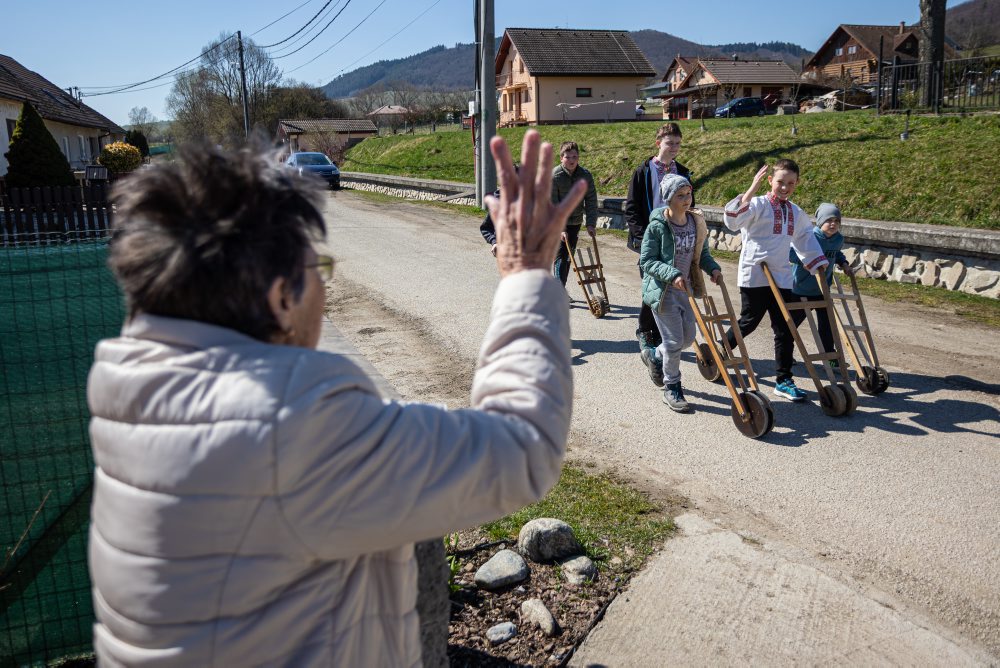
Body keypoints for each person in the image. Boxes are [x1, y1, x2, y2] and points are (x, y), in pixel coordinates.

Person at [86, 130, 587, 666]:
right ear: (281, 298)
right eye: (319, 270)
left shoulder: (132, 392)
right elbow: (521, 446)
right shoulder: (291, 423)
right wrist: (527, 277)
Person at [722, 159, 828, 401]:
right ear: (770, 181)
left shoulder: (795, 212)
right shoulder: (758, 204)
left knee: (785, 328)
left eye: (790, 183)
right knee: (750, 320)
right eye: (780, 181)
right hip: (755, 274)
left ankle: (784, 380)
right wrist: (751, 188)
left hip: (781, 276)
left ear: (796, 183)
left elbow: (805, 238)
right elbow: (732, 221)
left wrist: (817, 262)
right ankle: (722, 349)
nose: (784, 187)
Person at [641, 174, 721, 412]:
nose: (687, 200)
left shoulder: (696, 222)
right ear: (668, 199)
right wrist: (672, 274)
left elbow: (701, 254)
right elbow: (647, 261)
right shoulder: (657, 226)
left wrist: (713, 269)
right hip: (664, 292)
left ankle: (655, 355)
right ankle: (672, 387)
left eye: (689, 194)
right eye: (680, 196)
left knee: (687, 339)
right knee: (675, 342)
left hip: (686, 290)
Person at [624, 122, 694, 386]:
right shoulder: (644, 171)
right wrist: (644, 240)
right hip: (652, 240)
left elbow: (690, 204)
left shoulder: (683, 172)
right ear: (658, 143)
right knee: (652, 287)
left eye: (677, 143)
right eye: (669, 143)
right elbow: (632, 208)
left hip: (677, 239)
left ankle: (663, 346)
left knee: (673, 291)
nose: (674, 148)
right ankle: (647, 332)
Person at [789, 202, 853, 361]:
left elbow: (836, 254)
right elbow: (791, 253)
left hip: (822, 289)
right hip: (800, 288)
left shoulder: (838, 239)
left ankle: (830, 357)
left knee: (827, 324)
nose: (833, 224)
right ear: (820, 222)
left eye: (837, 221)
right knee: (791, 325)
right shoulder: (810, 237)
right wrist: (804, 261)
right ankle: (785, 354)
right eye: (829, 220)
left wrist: (844, 264)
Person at [550, 141, 598, 288]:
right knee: (560, 256)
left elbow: (591, 200)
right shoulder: (555, 176)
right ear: (561, 158)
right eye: (568, 157)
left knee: (569, 256)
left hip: (575, 222)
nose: (572, 160)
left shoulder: (585, 175)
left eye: (575, 157)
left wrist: (590, 223)